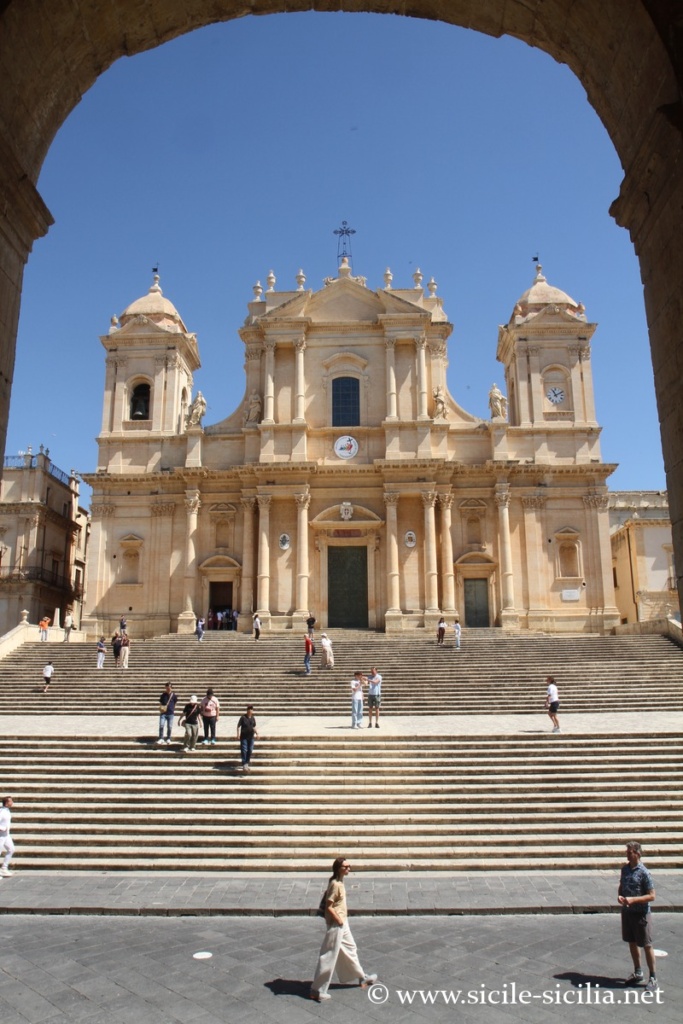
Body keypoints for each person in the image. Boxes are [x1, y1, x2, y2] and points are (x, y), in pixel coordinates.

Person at [309, 857, 377, 1002]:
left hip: (342, 922)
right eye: (345, 867)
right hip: (337, 923)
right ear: (338, 868)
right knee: (329, 955)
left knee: (351, 948)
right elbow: (329, 906)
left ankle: (361, 977)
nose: (348, 869)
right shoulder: (336, 885)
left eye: (349, 866)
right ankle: (317, 990)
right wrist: (339, 920)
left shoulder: (338, 882)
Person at [619, 841, 658, 991]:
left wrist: (634, 900)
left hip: (641, 913)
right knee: (632, 942)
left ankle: (653, 977)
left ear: (638, 854)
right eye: (627, 852)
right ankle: (638, 972)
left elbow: (652, 896)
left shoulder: (644, 872)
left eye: (630, 852)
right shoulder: (625, 870)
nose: (627, 855)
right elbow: (621, 886)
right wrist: (620, 896)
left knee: (647, 944)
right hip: (628, 912)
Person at [236, 704, 259, 772]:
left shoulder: (253, 718)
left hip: (251, 737)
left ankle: (247, 762)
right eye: (249, 709)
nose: (250, 711)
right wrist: (238, 734)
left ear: (252, 711)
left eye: (251, 709)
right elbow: (238, 726)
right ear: (247, 710)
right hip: (243, 737)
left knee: (250, 749)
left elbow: (254, 727)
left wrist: (257, 733)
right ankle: (244, 763)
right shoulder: (243, 717)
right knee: (244, 750)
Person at [0, 796, 15, 878]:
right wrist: (2, 828)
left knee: (11, 849)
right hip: (1, 835)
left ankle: (4, 868)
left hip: (6, 835)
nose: (12, 802)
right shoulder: (1, 811)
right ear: (7, 803)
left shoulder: (7, 811)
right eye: (11, 801)